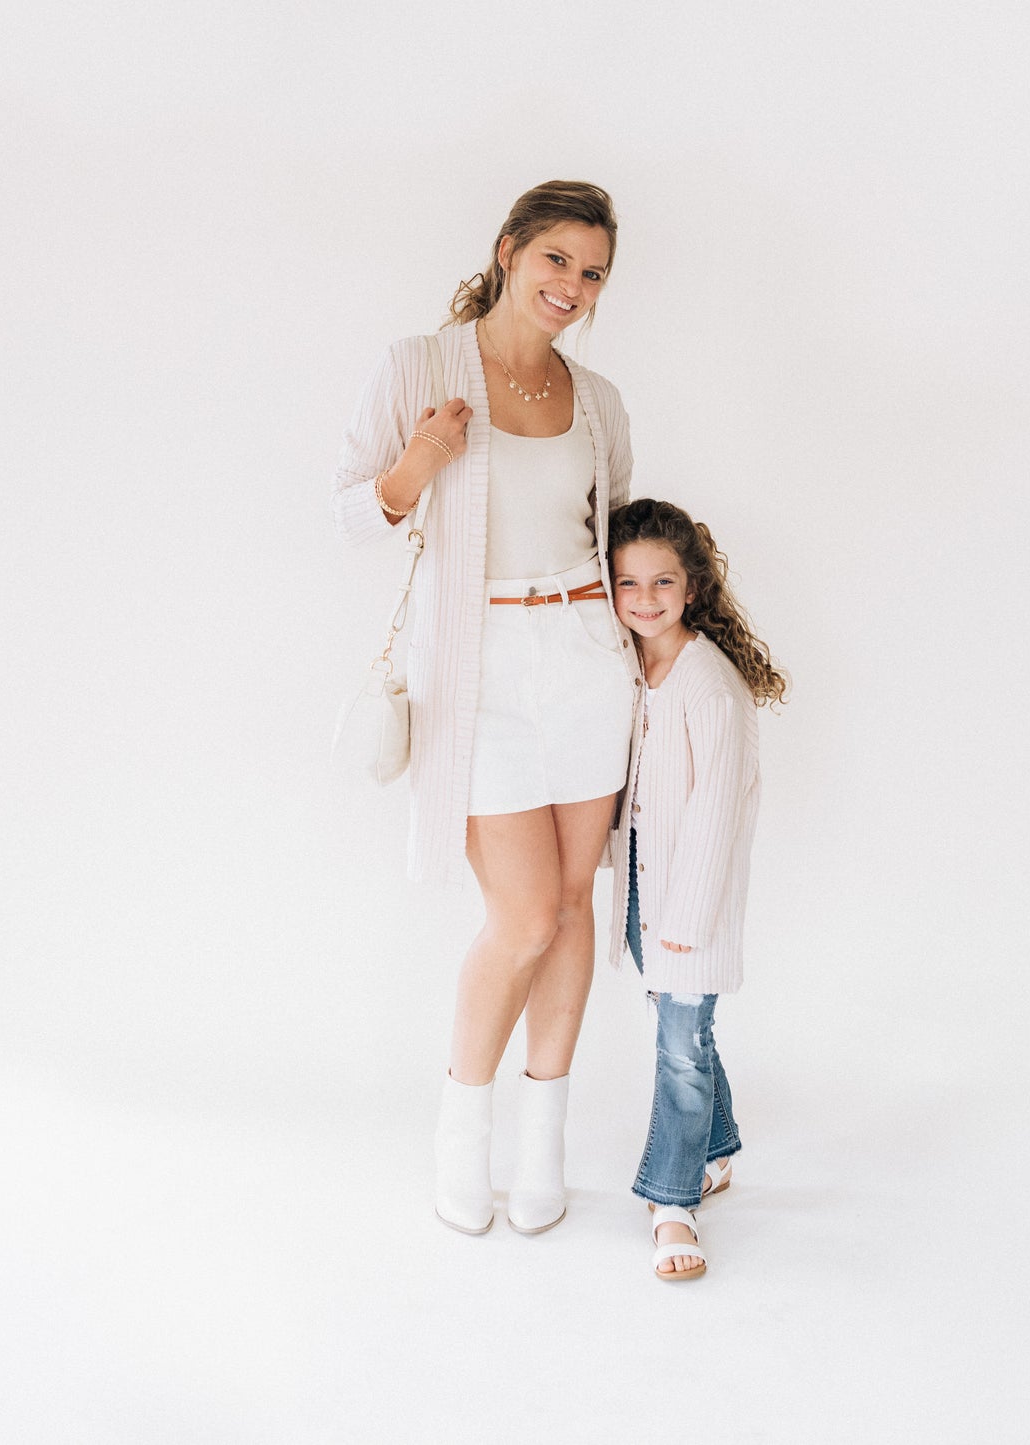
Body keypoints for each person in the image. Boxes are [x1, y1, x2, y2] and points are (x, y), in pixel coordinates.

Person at [331, 182, 638, 1235]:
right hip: (480, 663)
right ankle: (463, 1127)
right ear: (509, 250)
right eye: (556, 258)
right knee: (521, 915)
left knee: (573, 906)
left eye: (591, 272)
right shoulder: (417, 365)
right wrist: (419, 462)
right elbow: (346, 513)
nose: (571, 286)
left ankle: (543, 1138)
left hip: (586, 654)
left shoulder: (594, 398)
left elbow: (611, 532)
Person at [606, 498, 788, 1280]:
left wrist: (683, 918)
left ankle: (672, 1201)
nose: (644, 599)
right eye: (627, 582)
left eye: (662, 582)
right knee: (684, 1029)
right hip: (645, 885)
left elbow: (718, 805)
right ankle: (716, 1148)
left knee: (678, 1047)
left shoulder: (707, 682)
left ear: (692, 587)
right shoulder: (632, 665)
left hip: (690, 899)